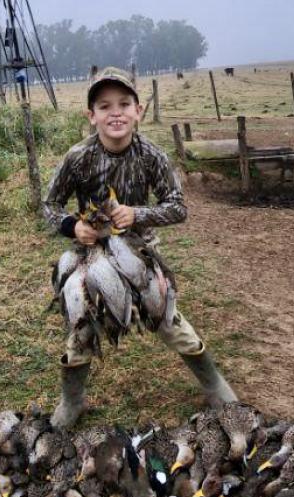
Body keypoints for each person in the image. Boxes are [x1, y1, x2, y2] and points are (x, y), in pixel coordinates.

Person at [42, 66, 239, 428]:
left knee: (170, 321)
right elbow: (49, 204)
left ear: (138, 111)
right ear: (91, 116)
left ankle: (214, 386)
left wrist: (138, 214)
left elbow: (177, 206)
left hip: (139, 253)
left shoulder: (152, 155)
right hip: (93, 255)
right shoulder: (78, 156)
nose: (114, 112)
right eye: (104, 106)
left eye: (123, 103)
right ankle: (72, 401)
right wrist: (74, 226)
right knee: (81, 327)